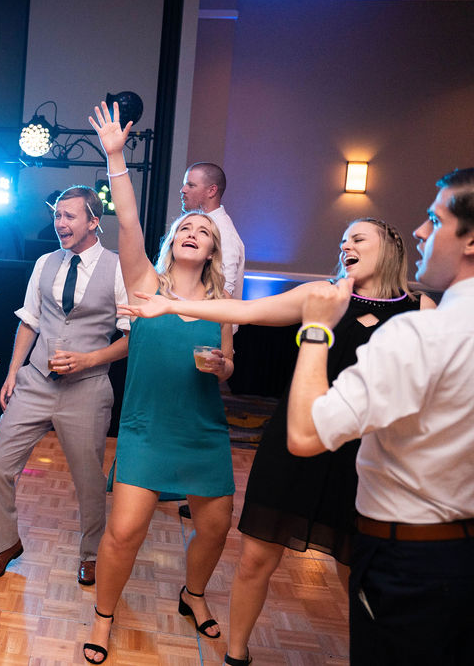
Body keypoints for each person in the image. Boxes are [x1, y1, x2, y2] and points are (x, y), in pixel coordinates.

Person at [125, 217, 432, 665]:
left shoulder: (421, 309)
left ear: (390, 246)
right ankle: (236, 655)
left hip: (367, 459)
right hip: (292, 444)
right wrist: (171, 307)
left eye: (359, 238)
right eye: (343, 239)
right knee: (255, 560)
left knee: (359, 572)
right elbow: (244, 312)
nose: (346, 244)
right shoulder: (322, 296)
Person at [285, 169, 474, 666]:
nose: (420, 232)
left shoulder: (420, 333)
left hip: (411, 562)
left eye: (435, 219)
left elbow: (306, 434)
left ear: (471, 238)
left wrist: (316, 332)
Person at [78, 103, 235, 664]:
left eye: (204, 230)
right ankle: (103, 617)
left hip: (203, 430)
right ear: (174, 242)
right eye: (186, 227)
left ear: (213, 250)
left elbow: (229, 363)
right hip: (146, 428)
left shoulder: (223, 305)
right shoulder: (145, 282)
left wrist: (223, 367)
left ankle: (193, 594)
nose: (194, 231)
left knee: (217, 527)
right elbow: (128, 224)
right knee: (123, 533)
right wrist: (116, 156)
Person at [0, 185, 129, 585]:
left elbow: (133, 337)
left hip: (88, 388)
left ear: (94, 221)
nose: (59, 223)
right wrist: (13, 371)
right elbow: (30, 320)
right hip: (37, 382)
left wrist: (89, 359)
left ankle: (92, 552)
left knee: (89, 480)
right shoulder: (45, 262)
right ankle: (5, 543)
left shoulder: (118, 269)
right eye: (57, 215)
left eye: (69, 216)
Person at [180, 162, 245, 298]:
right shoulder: (201, 224)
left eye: (191, 185)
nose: (183, 190)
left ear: (212, 191)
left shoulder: (224, 234)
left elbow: (224, 292)